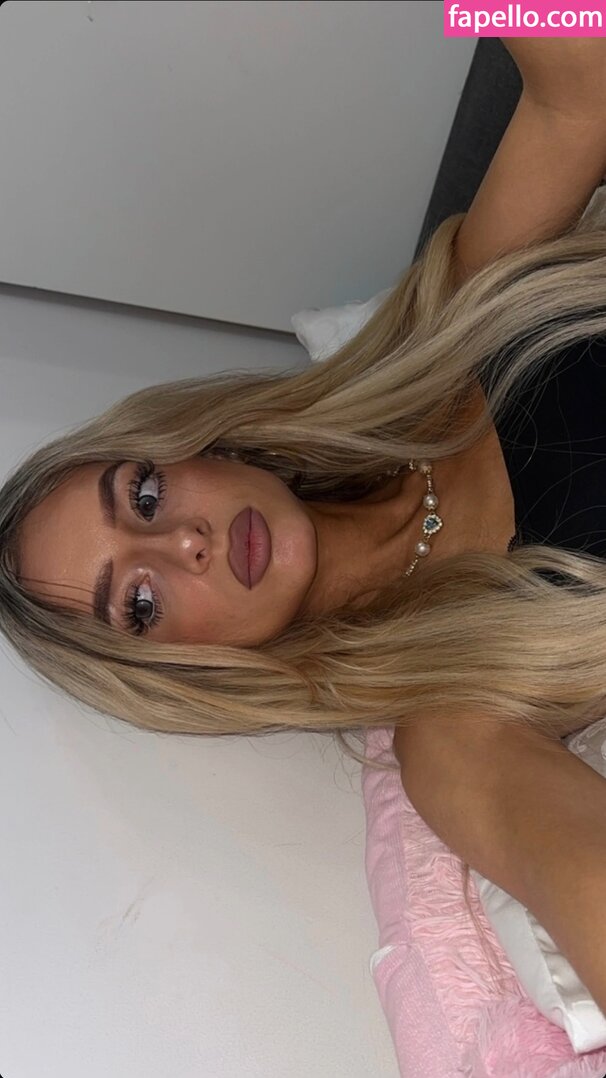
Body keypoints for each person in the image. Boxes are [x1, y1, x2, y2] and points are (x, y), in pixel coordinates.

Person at [4, 37, 606, 1011]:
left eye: (145, 499)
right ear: (186, 668)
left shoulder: (440, 342)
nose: (183, 544)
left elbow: (577, 90)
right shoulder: (451, 728)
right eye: (141, 602)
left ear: (190, 449)